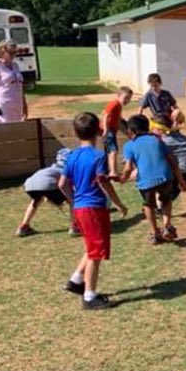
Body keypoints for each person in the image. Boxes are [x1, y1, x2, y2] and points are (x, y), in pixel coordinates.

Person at [58, 110, 127, 310]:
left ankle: (76, 280)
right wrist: (118, 204)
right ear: (99, 131)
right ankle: (89, 296)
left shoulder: (72, 156)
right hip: (94, 208)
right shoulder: (99, 156)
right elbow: (104, 183)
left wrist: (75, 200)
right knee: (96, 253)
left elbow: (62, 184)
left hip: (80, 208)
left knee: (91, 246)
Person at [120, 113, 186, 245]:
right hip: (165, 177)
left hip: (146, 181)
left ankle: (155, 233)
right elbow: (173, 162)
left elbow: (127, 168)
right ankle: (167, 225)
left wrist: (123, 178)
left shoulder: (129, 145)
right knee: (166, 200)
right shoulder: (157, 140)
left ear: (130, 131)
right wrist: (181, 181)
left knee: (148, 205)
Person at [15, 148, 72, 237]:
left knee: (36, 201)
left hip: (29, 185)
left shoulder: (51, 168)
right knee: (72, 200)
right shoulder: (66, 170)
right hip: (47, 185)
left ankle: (24, 226)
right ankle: (74, 226)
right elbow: (66, 185)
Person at [0, 38, 27, 123]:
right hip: (3, 105)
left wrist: (24, 106)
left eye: (15, 52)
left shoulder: (15, 66)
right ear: (2, 51)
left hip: (17, 105)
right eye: (10, 53)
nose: (13, 55)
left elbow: (20, 87)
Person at [102, 85, 133, 176]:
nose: (127, 100)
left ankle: (109, 170)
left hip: (112, 130)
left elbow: (118, 119)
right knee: (113, 150)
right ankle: (113, 171)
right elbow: (105, 115)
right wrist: (105, 129)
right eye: (125, 98)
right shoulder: (114, 104)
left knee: (110, 150)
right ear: (118, 96)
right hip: (109, 130)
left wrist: (128, 132)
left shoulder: (118, 106)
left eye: (129, 99)